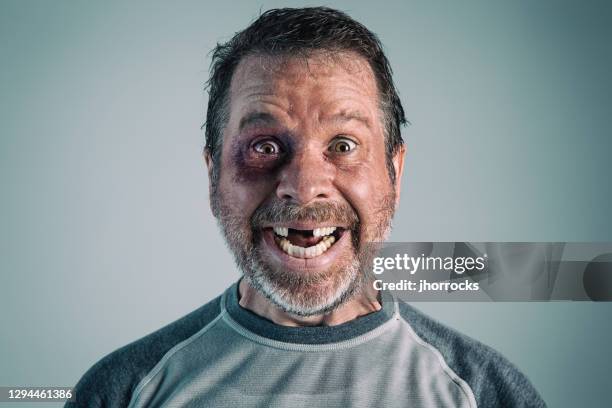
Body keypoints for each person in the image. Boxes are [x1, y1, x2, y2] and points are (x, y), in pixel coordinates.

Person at [68, 7, 546, 407]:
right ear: (213, 177)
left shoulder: (484, 393)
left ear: (394, 174)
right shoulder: (124, 392)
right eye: (264, 147)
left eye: (342, 145)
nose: (303, 186)